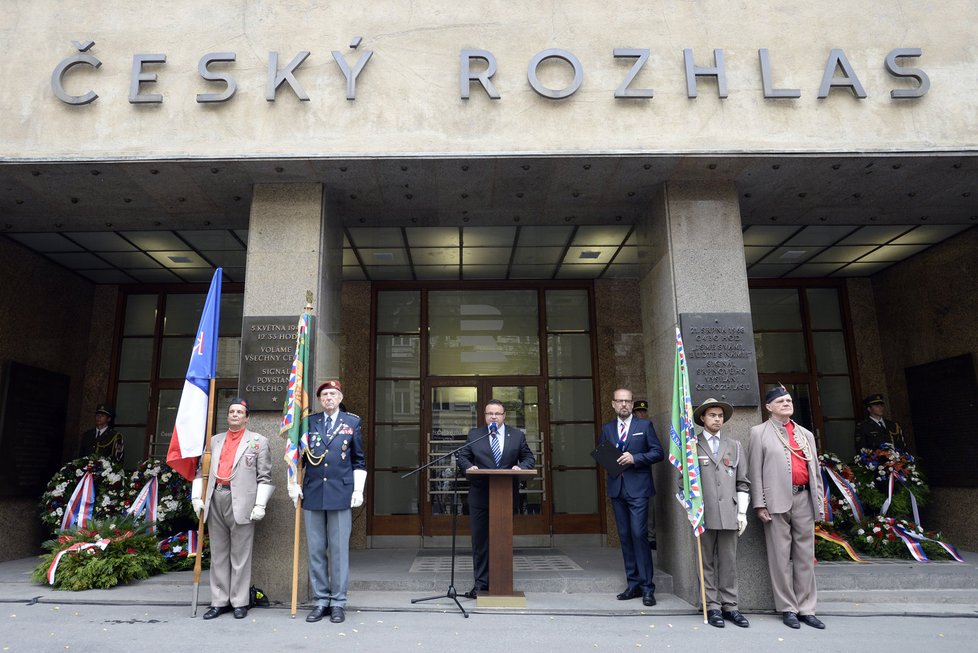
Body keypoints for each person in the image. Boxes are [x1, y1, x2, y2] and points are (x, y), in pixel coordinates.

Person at [288, 380, 366, 625]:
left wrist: (358, 490)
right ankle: (321, 599)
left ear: (340, 397)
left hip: (340, 494)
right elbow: (296, 456)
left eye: (333, 394)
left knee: (339, 551)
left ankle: (338, 602)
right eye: (324, 395)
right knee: (316, 551)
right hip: (312, 493)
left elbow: (359, 460)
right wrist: (293, 482)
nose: (328, 398)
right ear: (320, 399)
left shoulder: (352, 422)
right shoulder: (309, 423)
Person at [748, 385, 825, 630]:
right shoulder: (759, 432)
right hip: (776, 501)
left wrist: (819, 502)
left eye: (789, 400)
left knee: (805, 556)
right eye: (780, 401)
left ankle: (807, 608)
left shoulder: (805, 435)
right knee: (780, 557)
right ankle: (787, 608)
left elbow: (816, 473)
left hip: (803, 498)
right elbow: (754, 472)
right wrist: (759, 503)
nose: (786, 403)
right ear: (769, 406)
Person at [191, 397, 273, 621]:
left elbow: (265, 476)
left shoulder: (258, 442)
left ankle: (239, 601)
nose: (235, 415)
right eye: (231, 412)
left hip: (242, 503)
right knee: (218, 553)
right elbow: (201, 472)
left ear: (247, 417)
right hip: (215, 496)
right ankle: (219, 601)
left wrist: (260, 504)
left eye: (240, 412)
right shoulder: (214, 441)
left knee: (240, 555)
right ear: (227, 416)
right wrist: (196, 497)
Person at [458, 399, 535, 598]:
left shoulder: (517, 435)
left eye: (497, 414)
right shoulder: (475, 435)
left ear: (504, 416)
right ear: (485, 416)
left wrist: (521, 467)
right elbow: (463, 456)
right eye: (489, 413)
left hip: (506, 495)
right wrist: (469, 466)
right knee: (481, 542)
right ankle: (481, 585)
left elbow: (528, 458)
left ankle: (502, 584)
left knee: (502, 540)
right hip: (480, 495)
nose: (493, 417)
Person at [600, 388, 663, 607]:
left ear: (632, 403)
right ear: (613, 404)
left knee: (639, 534)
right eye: (620, 401)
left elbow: (658, 452)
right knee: (625, 537)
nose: (624, 405)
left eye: (627, 401)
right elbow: (603, 454)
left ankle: (648, 587)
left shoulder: (644, 426)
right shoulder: (607, 428)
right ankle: (633, 584)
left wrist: (635, 458)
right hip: (617, 489)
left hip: (639, 489)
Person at [693, 398, 750, 629]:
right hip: (703, 513)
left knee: (729, 561)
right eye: (712, 415)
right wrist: (690, 509)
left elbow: (742, 482)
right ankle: (712, 606)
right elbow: (682, 484)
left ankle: (731, 606)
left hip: (729, 512)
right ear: (703, 419)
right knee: (704, 562)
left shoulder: (734, 446)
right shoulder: (692, 446)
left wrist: (742, 512)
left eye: (720, 415)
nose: (718, 419)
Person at [632, 399, 657, 552]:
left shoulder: (648, 427)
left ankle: (651, 537)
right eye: (638, 411)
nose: (641, 414)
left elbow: (656, 451)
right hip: (628, 476)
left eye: (643, 411)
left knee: (650, 511)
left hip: (644, 476)